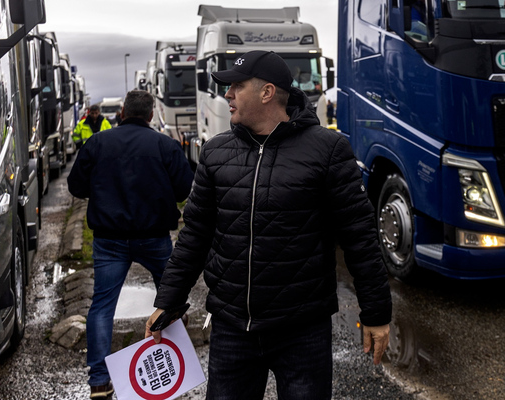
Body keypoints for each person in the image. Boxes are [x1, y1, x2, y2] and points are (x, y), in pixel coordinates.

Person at [145, 50, 392, 400]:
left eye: (236, 86)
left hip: (303, 330)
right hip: (232, 329)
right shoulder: (215, 153)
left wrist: (377, 312)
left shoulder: (328, 150)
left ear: (266, 93)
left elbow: (360, 237)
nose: (227, 95)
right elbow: (195, 235)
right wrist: (168, 300)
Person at [67, 90, 194, 399]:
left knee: (101, 307)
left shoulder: (97, 144)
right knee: (173, 298)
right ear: (151, 115)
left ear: (122, 112)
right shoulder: (166, 145)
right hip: (154, 238)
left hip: (109, 239)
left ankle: (99, 380)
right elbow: (184, 189)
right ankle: (175, 370)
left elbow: (75, 186)